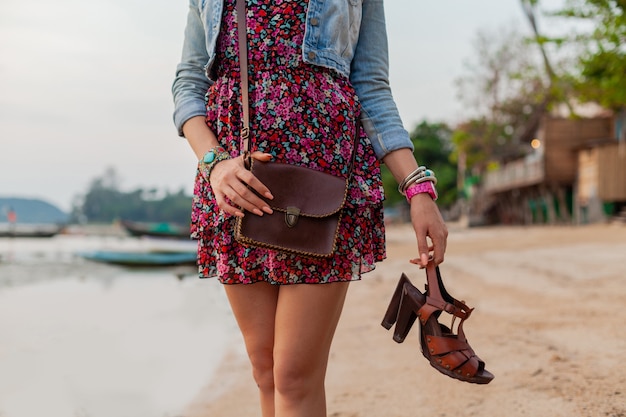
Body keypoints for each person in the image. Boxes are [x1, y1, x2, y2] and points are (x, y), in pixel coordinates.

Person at [172, 0, 448, 415]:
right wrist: (214, 165)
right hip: (236, 183)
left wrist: (417, 188)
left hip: (326, 181)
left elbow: (371, 87)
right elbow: (189, 82)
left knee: (294, 374)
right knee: (264, 368)